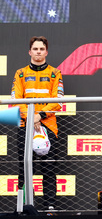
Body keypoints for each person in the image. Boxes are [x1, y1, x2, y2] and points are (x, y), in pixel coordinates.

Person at [11, 36, 64, 212]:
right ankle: (25, 207)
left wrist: (39, 116)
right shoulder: (20, 73)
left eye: (41, 49)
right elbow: (16, 101)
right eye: (35, 49)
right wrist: (31, 117)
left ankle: (50, 208)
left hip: (48, 126)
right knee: (25, 168)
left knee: (49, 169)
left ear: (46, 52)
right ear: (30, 52)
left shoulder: (55, 73)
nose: (38, 52)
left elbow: (58, 100)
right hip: (25, 125)